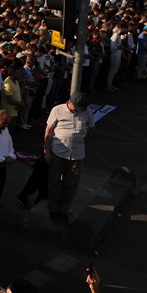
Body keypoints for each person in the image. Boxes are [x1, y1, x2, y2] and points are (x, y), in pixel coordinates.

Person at [45, 92, 96, 222]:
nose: (79, 110)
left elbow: (91, 128)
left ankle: (64, 209)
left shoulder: (87, 113)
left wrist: (83, 141)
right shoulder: (57, 110)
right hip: (58, 151)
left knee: (72, 184)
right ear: (70, 102)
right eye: (77, 107)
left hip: (77, 154)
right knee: (54, 182)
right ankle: (54, 209)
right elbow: (49, 131)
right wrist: (47, 151)